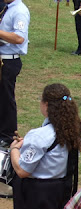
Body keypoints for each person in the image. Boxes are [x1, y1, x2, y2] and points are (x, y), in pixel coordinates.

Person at [0, 0, 30, 148]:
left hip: (8, 61)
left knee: (6, 99)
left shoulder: (19, 11)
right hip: (2, 58)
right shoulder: (7, 7)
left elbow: (19, 38)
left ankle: (8, 135)